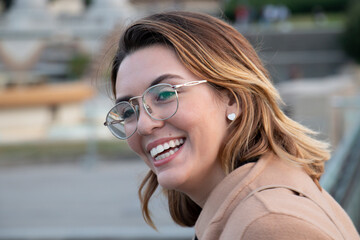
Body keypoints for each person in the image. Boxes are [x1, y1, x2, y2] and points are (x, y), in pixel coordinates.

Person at [103, 11, 359, 239]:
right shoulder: (257, 210)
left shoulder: (269, 225)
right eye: (128, 111)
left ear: (233, 99)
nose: (145, 125)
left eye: (165, 94)